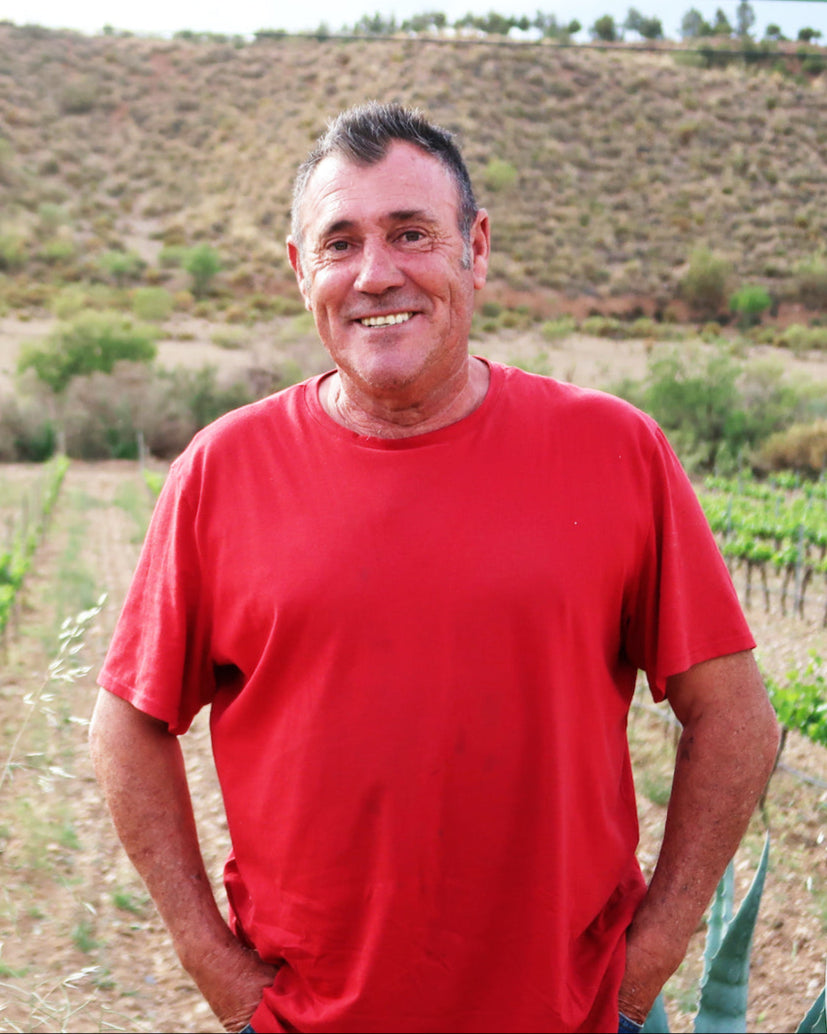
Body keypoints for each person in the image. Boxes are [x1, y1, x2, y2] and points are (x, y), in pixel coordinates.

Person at [89, 102, 780, 1034]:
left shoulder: (614, 450)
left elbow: (735, 718)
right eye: (340, 243)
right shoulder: (221, 471)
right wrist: (213, 964)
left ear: (475, 249)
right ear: (302, 272)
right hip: (304, 1023)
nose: (376, 274)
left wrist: (647, 956)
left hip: (564, 1017)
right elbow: (129, 725)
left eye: (411, 233)